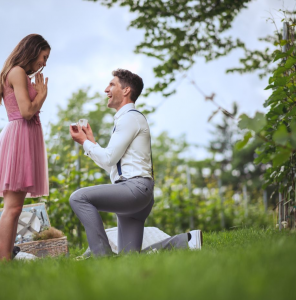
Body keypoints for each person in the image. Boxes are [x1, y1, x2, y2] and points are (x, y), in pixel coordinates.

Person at [69, 69, 202, 257]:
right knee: (129, 258)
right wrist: (91, 143)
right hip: (137, 192)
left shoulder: (130, 118)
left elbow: (108, 159)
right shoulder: (128, 119)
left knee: (78, 198)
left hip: (133, 190)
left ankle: (102, 257)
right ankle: (186, 241)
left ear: (126, 90)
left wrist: (85, 143)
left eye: (112, 84)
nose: (106, 89)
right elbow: (110, 164)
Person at [0, 34, 50, 260]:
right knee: (12, 208)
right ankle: (3, 263)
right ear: (33, 50)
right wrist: (42, 95)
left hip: (23, 137)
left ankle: (6, 260)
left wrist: (38, 94)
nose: (44, 63)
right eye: (44, 56)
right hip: (18, 138)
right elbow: (27, 111)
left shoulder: (19, 74)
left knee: (15, 208)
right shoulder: (17, 72)